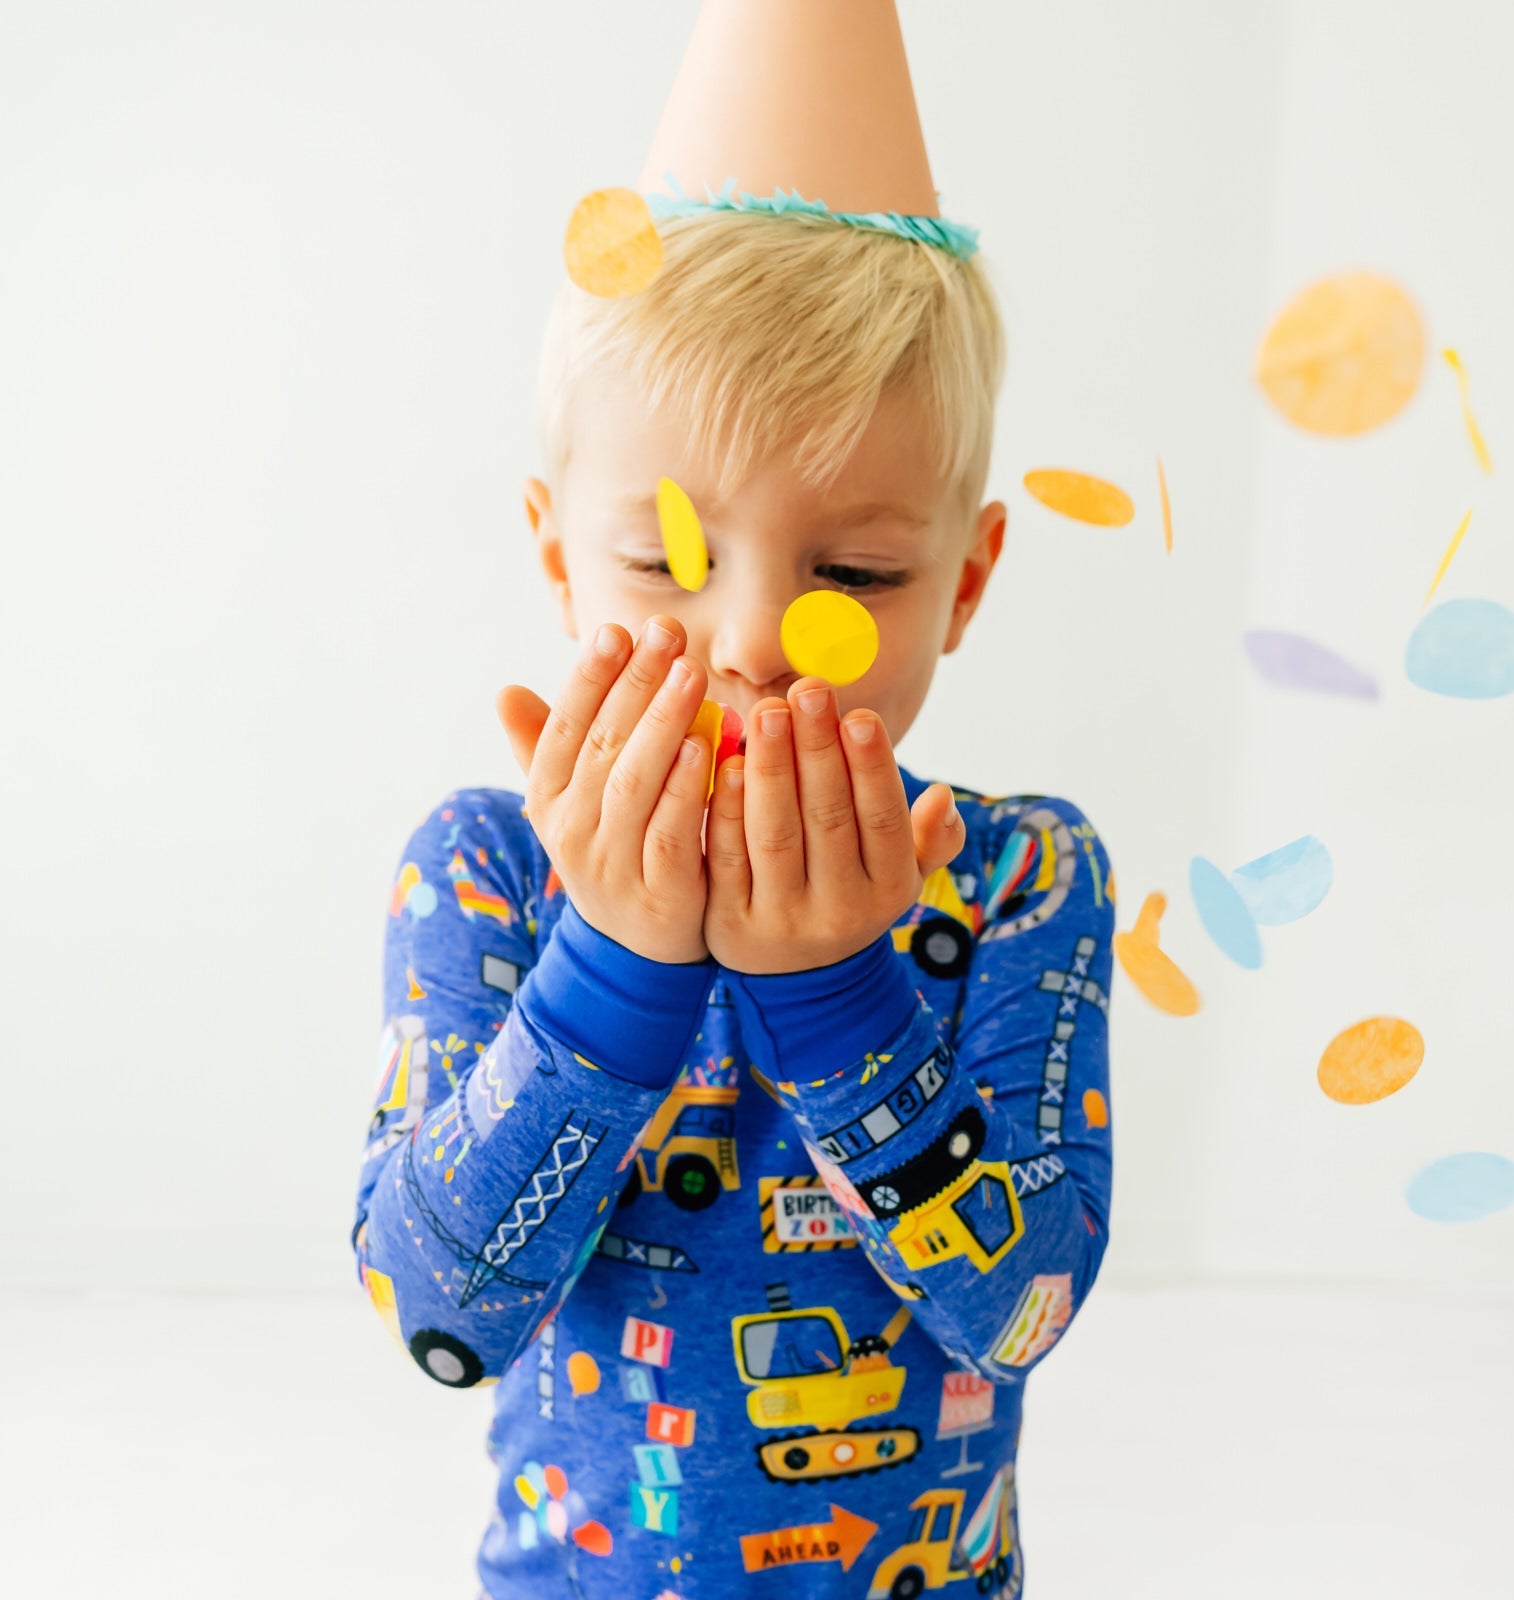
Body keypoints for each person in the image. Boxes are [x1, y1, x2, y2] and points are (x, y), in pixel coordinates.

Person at [350, 3, 1113, 1594]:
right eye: (666, 557)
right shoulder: (489, 869)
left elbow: (1024, 1309)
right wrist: (612, 967)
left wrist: (837, 995)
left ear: (965, 583)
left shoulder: (1021, 877)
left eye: (859, 571)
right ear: (560, 554)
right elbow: (434, 1314)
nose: (758, 640)